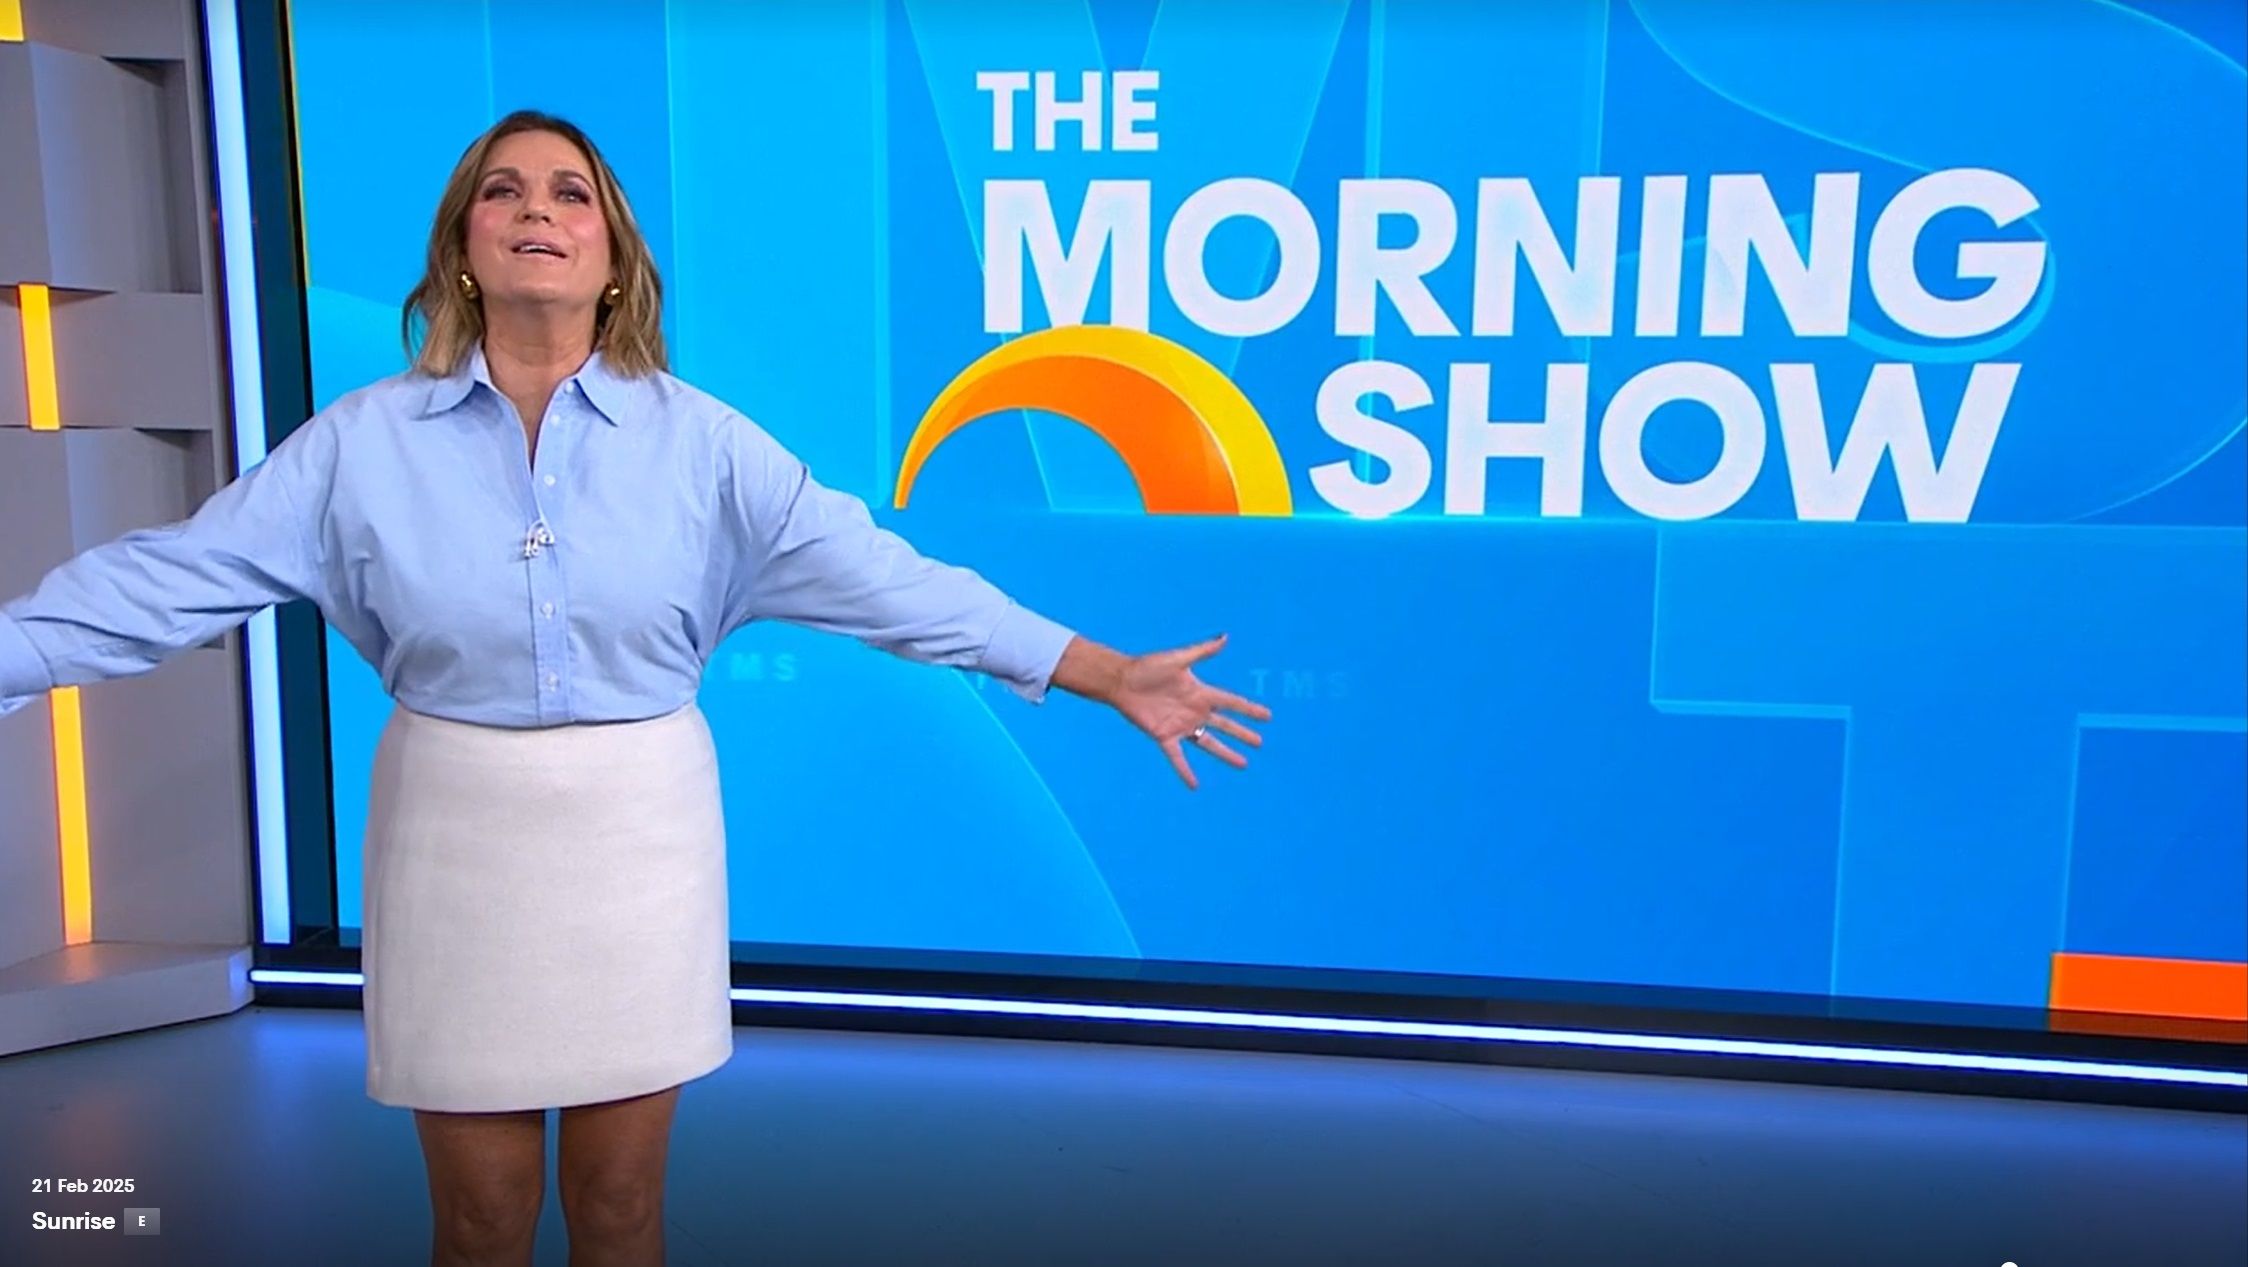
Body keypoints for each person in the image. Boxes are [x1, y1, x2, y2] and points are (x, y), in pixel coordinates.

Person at [0, 109, 1270, 1266]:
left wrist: (1103, 670)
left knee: (618, 1207)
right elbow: (168, 578)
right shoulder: (358, 445)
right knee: (480, 1217)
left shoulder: (705, 446)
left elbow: (894, 582)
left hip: (637, 842)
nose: (536, 211)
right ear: (461, 247)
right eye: (503, 192)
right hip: (452, 839)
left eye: (570, 194)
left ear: (613, 257)